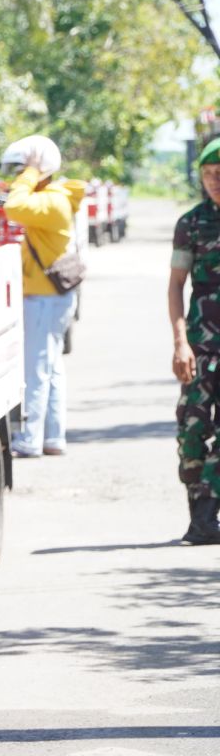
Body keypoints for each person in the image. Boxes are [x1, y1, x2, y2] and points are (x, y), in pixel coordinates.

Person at [0, 135, 85, 458]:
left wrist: (32, 171)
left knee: (36, 368)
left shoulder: (52, 201)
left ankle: (31, 439)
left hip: (44, 298)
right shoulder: (53, 198)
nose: (18, 177)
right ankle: (52, 436)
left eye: (22, 170)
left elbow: (13, 207)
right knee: (51, 366)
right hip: (50, 297)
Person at [169, 136, 220, 545]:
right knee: (191, 430)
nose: (214, 181)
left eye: (219, 173)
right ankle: (199, 515)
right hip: (200, 345)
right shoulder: (191, 223)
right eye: (207, 174)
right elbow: (176, 286)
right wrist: (180, 343)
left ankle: (207, 515)